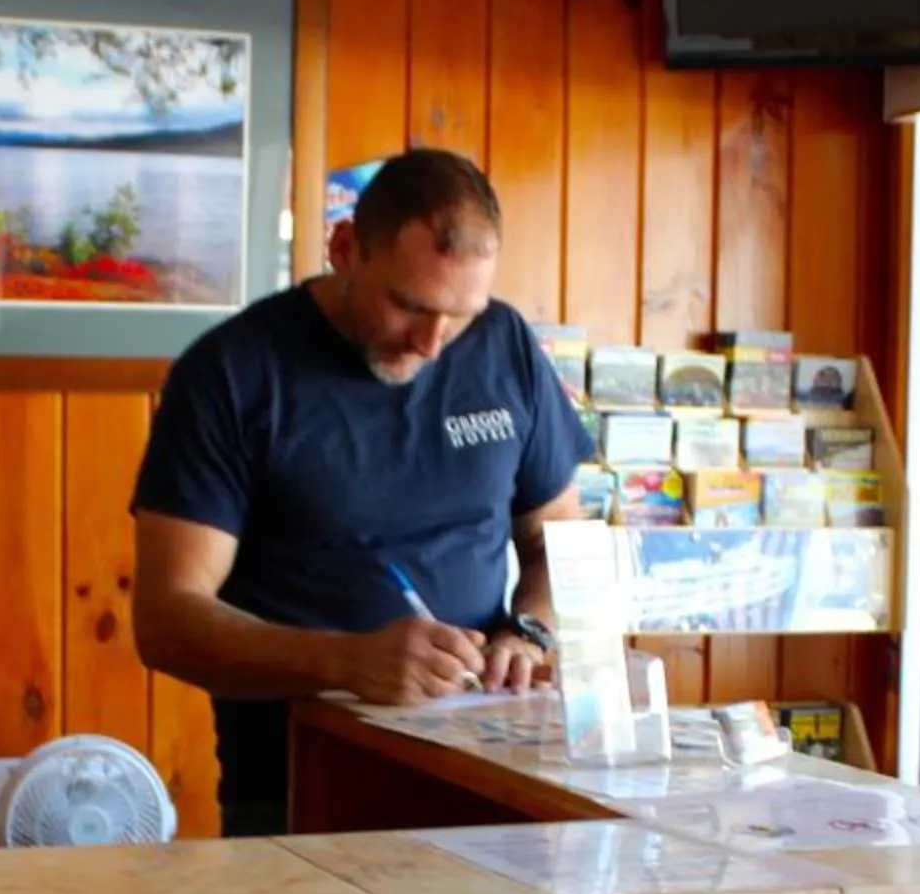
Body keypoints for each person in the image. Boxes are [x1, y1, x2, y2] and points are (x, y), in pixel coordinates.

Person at [133, 148, 598, 838]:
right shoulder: (230, 373)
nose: (435, 343)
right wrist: (347, 661)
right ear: (345, 248)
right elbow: (166, 621)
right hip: (301, 789)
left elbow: (563, 544)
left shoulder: (505, 344)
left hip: (493, 780)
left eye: (460, 315)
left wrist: (529, 635)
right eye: (409, 305)